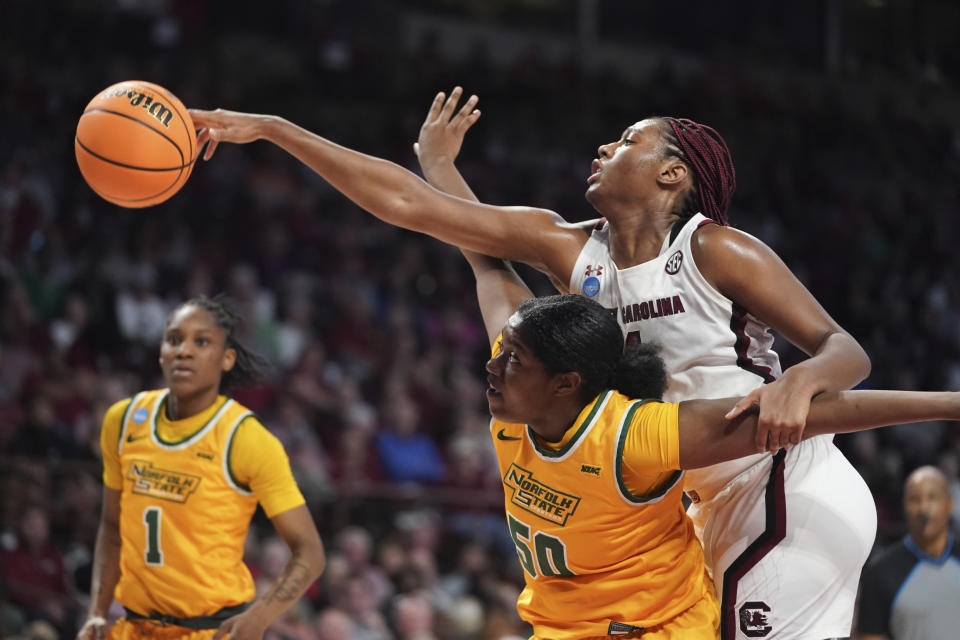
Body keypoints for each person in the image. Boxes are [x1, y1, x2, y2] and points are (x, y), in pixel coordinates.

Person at [185, 97, 868, 638]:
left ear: (672, 173)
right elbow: (420, 212)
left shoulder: (717, 251)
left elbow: (846, 351)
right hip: (692, 502)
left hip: (777, 484)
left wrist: (802, 380)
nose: (604, 147)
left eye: (628, 138)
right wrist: (278, 130)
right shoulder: (568, 248)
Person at [75, 295, 326, 640]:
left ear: (226, 360)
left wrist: (258, 617)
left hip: (208, 631)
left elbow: (310, 552)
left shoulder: (247, 438)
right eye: (174, 339)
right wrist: (96, 613)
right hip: (131, 629)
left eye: (201, 342)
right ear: (161, 351)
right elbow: (111, 526)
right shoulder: (124, 420)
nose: (184, 351)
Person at [856, 466, 960, 639]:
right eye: (914, 499)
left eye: (932, 498)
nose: (924, 509)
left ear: (949, 504)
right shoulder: (880, 572)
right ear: (904, 507)